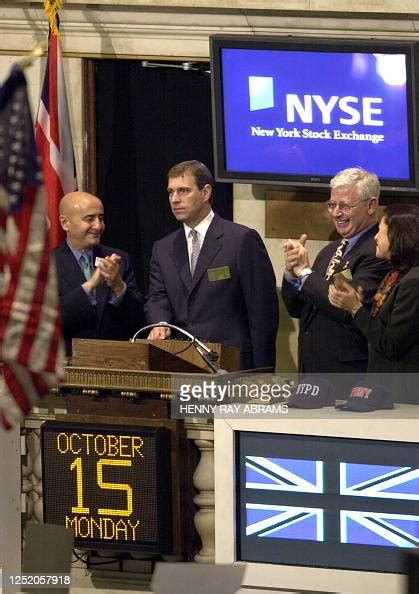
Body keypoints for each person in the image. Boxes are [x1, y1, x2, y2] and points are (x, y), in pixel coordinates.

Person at [144, 160, 279, 370]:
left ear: (205, 192)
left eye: (183, 191)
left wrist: (262, 373)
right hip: (180, 363)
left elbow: (263, 314)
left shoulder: (241, 240)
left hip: (232, 363)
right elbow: (157, 297)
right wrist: (160, 322)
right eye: (170, 192)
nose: (175, 199)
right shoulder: (163, 248)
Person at [281, 167, 391, 374]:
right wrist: (292, 273)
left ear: (371, 206)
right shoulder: (329, 251)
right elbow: (297, 308)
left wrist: (305, 272)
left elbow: (344, 308)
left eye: (345, 206)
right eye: (332, 204)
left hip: (347, 373)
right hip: (311, 371)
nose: (336, 213)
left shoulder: (379, 253)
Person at [328, 204, 419, 402]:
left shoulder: (413, 282)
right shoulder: (394, 275)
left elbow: (391, 344)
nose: (376, 237)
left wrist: (355, 309)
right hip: (382, 390)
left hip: (403, 397)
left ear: (399, 236)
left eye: (381, 231)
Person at [54, 191, 143, 355]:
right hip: (67, 366)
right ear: (65, 223)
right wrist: (90, 286)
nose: (98, 225)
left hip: (115, 364)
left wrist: (118, 286)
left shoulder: (119, 260)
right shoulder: (48, 264)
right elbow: (49, 319)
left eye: (100, 218)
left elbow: (137, 319)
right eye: (90, 219)